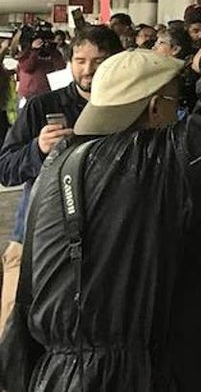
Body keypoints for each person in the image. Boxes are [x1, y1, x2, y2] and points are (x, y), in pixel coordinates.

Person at [6, 43, 201, 392]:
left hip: (61, 373)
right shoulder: (148, 165)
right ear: (156, 107)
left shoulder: (61, 164)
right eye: (176, 102)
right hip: (136, 372)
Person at [0, 24, 123, 336]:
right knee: (16, 324)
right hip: (37, 232)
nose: (89, 70)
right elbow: (6, 167)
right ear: (70, 62)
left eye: (99, 61)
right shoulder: (42, 106)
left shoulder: (128, 109)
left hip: (103, 235)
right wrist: (37, 149)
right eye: (81, 60)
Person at [14, 26, 66, 101]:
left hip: (46, 94)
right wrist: (34, 50)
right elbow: (27, 67)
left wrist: (53, 51)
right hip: (28, 95)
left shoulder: (53, 52)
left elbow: (61, 67)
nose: (43, 43)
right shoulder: (26, 52)